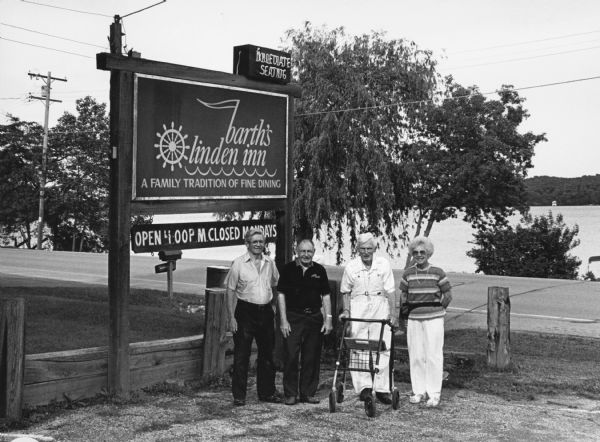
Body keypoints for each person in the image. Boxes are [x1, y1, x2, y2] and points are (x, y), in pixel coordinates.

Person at [339, 232, 397, 404]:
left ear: (374, 249)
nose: (366, 252)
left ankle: (382, 388)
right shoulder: (351, 266)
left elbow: (391, 291)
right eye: (362, 248)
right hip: (359, 305)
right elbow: (345, 292)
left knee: (382, 345)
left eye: (369, 249)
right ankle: (364, 388)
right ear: (357, 249)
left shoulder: (383, 264)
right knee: (359, 345)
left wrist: (393, 314)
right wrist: (347, 311)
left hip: (380, 304)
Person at [226, 228, 281, 406]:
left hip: (265, 312)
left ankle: (267, 393)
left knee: (267, 355)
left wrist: (272, 307)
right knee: (242, 355)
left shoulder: (269, 263)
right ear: (247, 243)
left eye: (261, 241)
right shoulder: (238, 264)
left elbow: (275, 285)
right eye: (254, 241)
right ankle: (239, 396)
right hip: (244, 312)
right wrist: (231, 317)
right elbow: (230, 290)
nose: (258, 244)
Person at [277, 239, 333, 406]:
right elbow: (281, 295)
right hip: (293, 317)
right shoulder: (288, 270)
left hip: (314, 318)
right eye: (303, 251)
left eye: (309, 251)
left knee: (311, 357)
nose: (306, 254)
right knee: (291, 356)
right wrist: (283, 320)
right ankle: (291, 394)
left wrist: (328, 320)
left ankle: (307, 393)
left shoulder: (319, 270)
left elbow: (326, 296)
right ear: (297, 251)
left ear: (314, 252)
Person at [399, 235, 452, 408]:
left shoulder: (438, 272)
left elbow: (448, 295)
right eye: (416, 252)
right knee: (416, 356)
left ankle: (434, 393)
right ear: (412, 254)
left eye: (423, 252)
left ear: (428, 253)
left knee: (433, 355)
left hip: (434, 319)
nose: (419, 255)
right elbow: (403, 297)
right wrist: (405, 316)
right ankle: (418, 391)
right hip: (414, 319)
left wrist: (437, 310)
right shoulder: (407, 273)